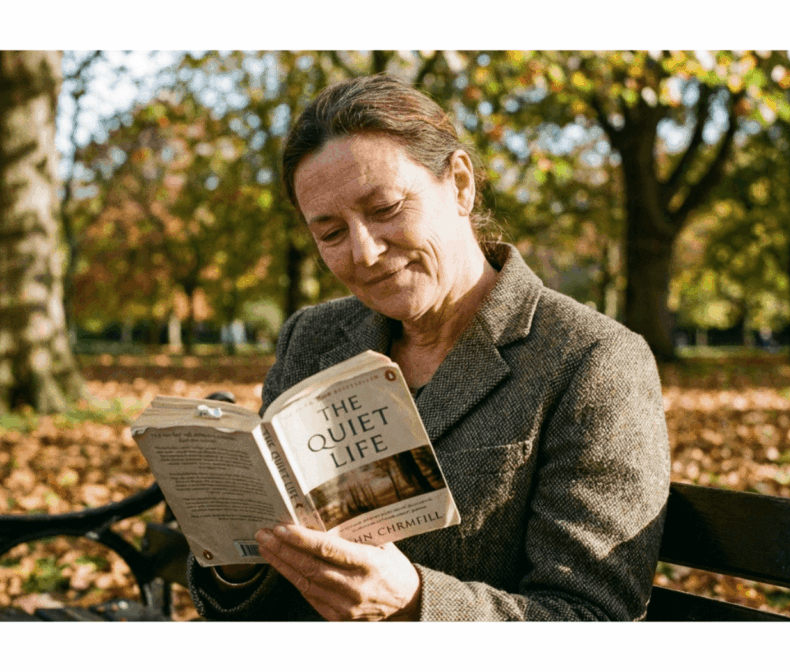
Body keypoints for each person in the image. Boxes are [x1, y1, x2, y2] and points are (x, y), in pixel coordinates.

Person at [187, 74, 671, 621]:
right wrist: (239, 556)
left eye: (386, 207)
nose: (365, 252)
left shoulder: (593, 361)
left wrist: (414, 604)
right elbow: (254, 607)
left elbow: (593, 619)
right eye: (330, 233)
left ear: (460, 185)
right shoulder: (313, 337)